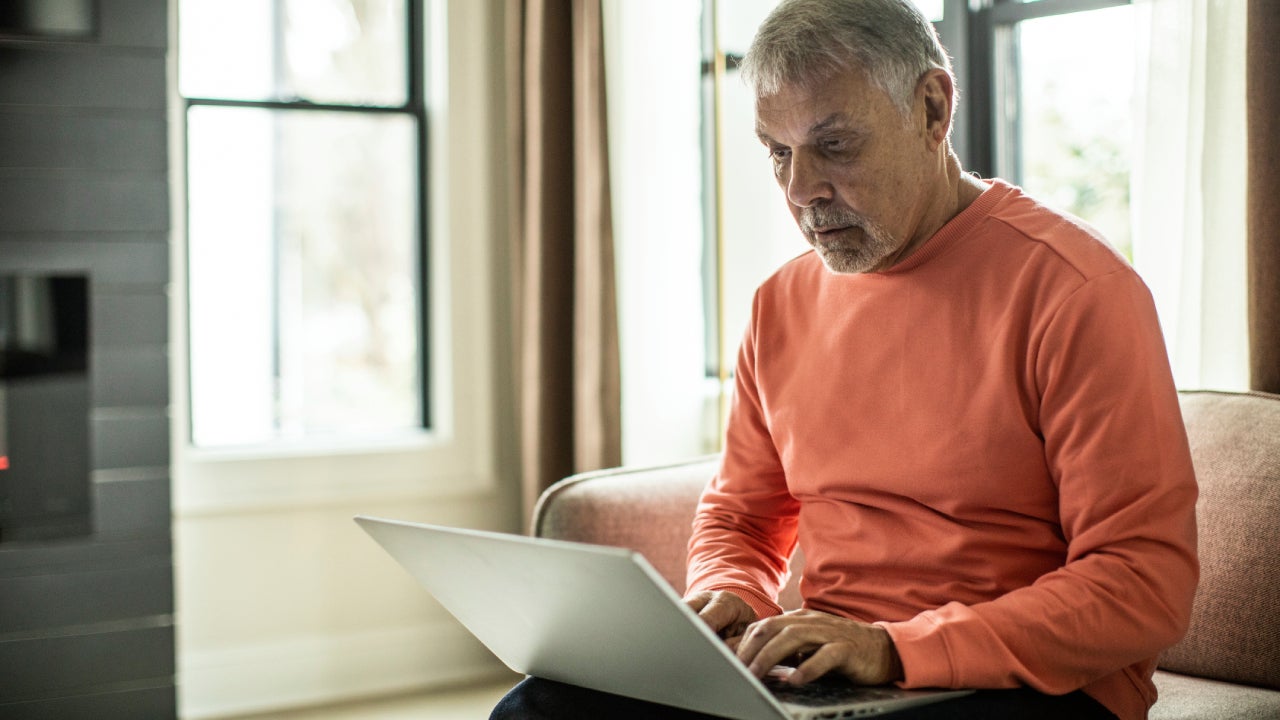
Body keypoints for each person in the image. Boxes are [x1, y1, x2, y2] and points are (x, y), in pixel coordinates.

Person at [491, 0, 1198, 718]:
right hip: (836, 677)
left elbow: (1143, 584)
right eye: (779, 152)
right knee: (542, 707)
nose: (802, 192)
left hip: (1027, 686)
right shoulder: (780, 304)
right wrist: (731, 594)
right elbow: (740, 517)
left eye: (834, 146)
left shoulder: (1077, 292)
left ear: (931, 109)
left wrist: (894, 648)